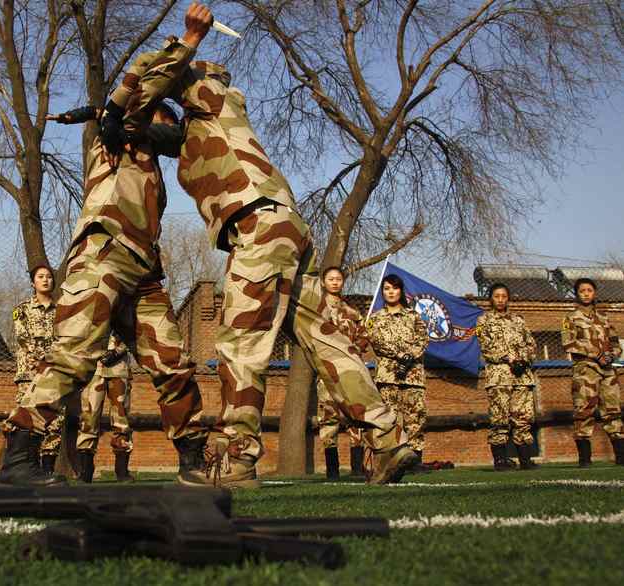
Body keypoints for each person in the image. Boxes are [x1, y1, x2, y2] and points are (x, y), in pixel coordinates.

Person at [107, 2, 417, 486]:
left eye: (157, 113)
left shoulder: (208, 96)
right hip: (285, 228)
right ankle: (388, 439)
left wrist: (187, 42)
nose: (150, 124)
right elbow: (153, 128)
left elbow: (150, 88)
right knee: (323, 340)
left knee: (240, 342)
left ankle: (239, 458)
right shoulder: (198, 135)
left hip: (259, 226)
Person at [0, 3, 215, 487]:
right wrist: (190, 42)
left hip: (143, 271)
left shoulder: (154, 158)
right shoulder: (118, 133)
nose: (170, 128)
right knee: (75, 355)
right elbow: (141, 82)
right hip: (103, 256)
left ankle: (192, 462)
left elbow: (180, 140)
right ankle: (18, 456)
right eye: (164, 114)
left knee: (173, 365)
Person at [366, 275, 429, 466]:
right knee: (389, 419)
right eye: (386, 288)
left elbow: (423, 339)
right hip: (388, 376)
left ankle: (415, 460)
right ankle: (392, 459)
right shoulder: (376, 318)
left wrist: (410, 355)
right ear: (382, 292)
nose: (391, 292)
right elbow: (376, 341)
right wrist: (400, 354)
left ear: (401, 291)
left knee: (415, 416)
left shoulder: (413, 316)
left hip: (413, 375)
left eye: (394, 288)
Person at [561, 277, 624, 466]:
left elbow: (615, 342)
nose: (586, 294)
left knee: (613, 411)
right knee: (584, 411)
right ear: (577, 294)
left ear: (594, 293)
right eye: (582, 291)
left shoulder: (604, 318)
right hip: (586, 370)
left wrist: (612, 355)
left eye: (589, 290)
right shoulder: (570, 318)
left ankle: (621, 457)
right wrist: (596, 354)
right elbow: (569, 343)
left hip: (607, 371)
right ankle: (585, 459)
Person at [476, 283, 539, 470]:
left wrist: (522, 359)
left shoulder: (519, 321)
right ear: (491, 299)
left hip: (522, 376)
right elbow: (485, 346)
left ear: (508, 298)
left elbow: (531, 345)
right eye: (497, 296)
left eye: (504, 296)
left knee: (523, 417)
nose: (501, 299)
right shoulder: (483, 321)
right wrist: (508, 357)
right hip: (499, 377)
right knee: (500, 418)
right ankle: (501, 460)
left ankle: (526, 460)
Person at [8, 264, 65, 474]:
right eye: (40, 277)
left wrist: (52, 360)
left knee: (55, 420)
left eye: (49, 277)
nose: (45, 280)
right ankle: (25, 466)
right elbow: (22, 337)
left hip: (53, 372)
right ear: (33, 282)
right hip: (28, 373)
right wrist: (40, 357)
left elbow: (64, 339)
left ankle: (47, 469)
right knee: (26, 417)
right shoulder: (21, 309)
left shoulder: (61, 312)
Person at [314, 267, 368, 480]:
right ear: (324, 282)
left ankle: (356, 468)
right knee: (328, 419)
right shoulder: (316, 310)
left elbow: (364, 337)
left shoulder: (352, 311)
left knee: (355, 417)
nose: (335, 282)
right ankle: (332, 471)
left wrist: (356, 348)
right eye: (331, 279)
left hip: (351, 373)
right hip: (327, 373)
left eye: (338, 279)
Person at [76, 333, 135, 483]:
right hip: (92, 366)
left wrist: (118, 350)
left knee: (121, 419)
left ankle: (121, 470)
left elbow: (132, 328)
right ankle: (85, 470)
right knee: (88, 418)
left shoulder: (124, 308)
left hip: (119, 366)